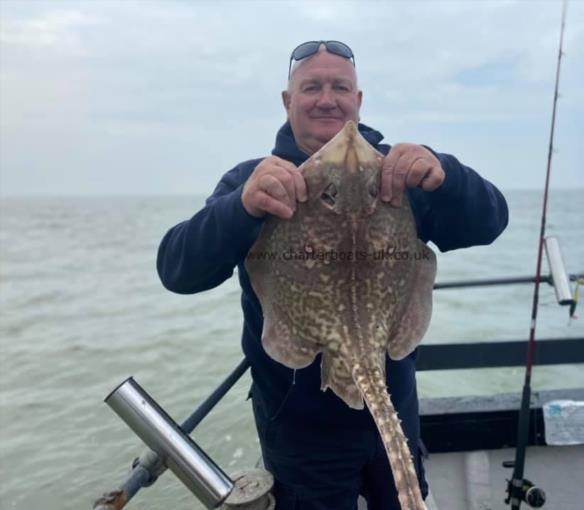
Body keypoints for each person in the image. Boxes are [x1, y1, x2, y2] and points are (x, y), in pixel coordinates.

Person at [157, 40, 508, 510]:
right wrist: (240, 208)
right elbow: (177, 269)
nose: (327, 98)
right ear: (288, 102)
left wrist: (447, 174)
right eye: (312, 87)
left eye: (340, 87)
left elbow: (491, 222)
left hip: (394, 414)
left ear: (357, 101)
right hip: (301, 437)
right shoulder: (254, 181)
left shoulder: (397, 176)